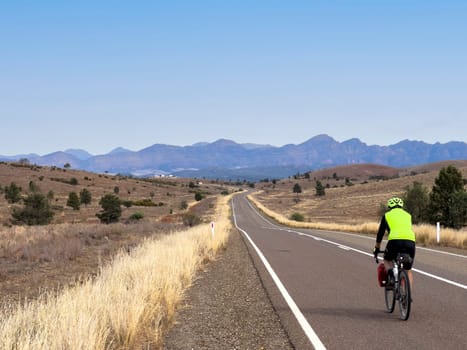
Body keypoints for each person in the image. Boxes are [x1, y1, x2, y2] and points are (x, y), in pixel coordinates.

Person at [373, 197, 416, 289]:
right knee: (408, 269)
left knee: (387, 260)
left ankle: (392, 278)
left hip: (395, 241)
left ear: (389, 206)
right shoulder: (408, 215)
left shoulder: (387, 215)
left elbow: (380, 234)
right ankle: (407, 295)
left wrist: (377, 248)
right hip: (410, 241)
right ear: (401, 206)